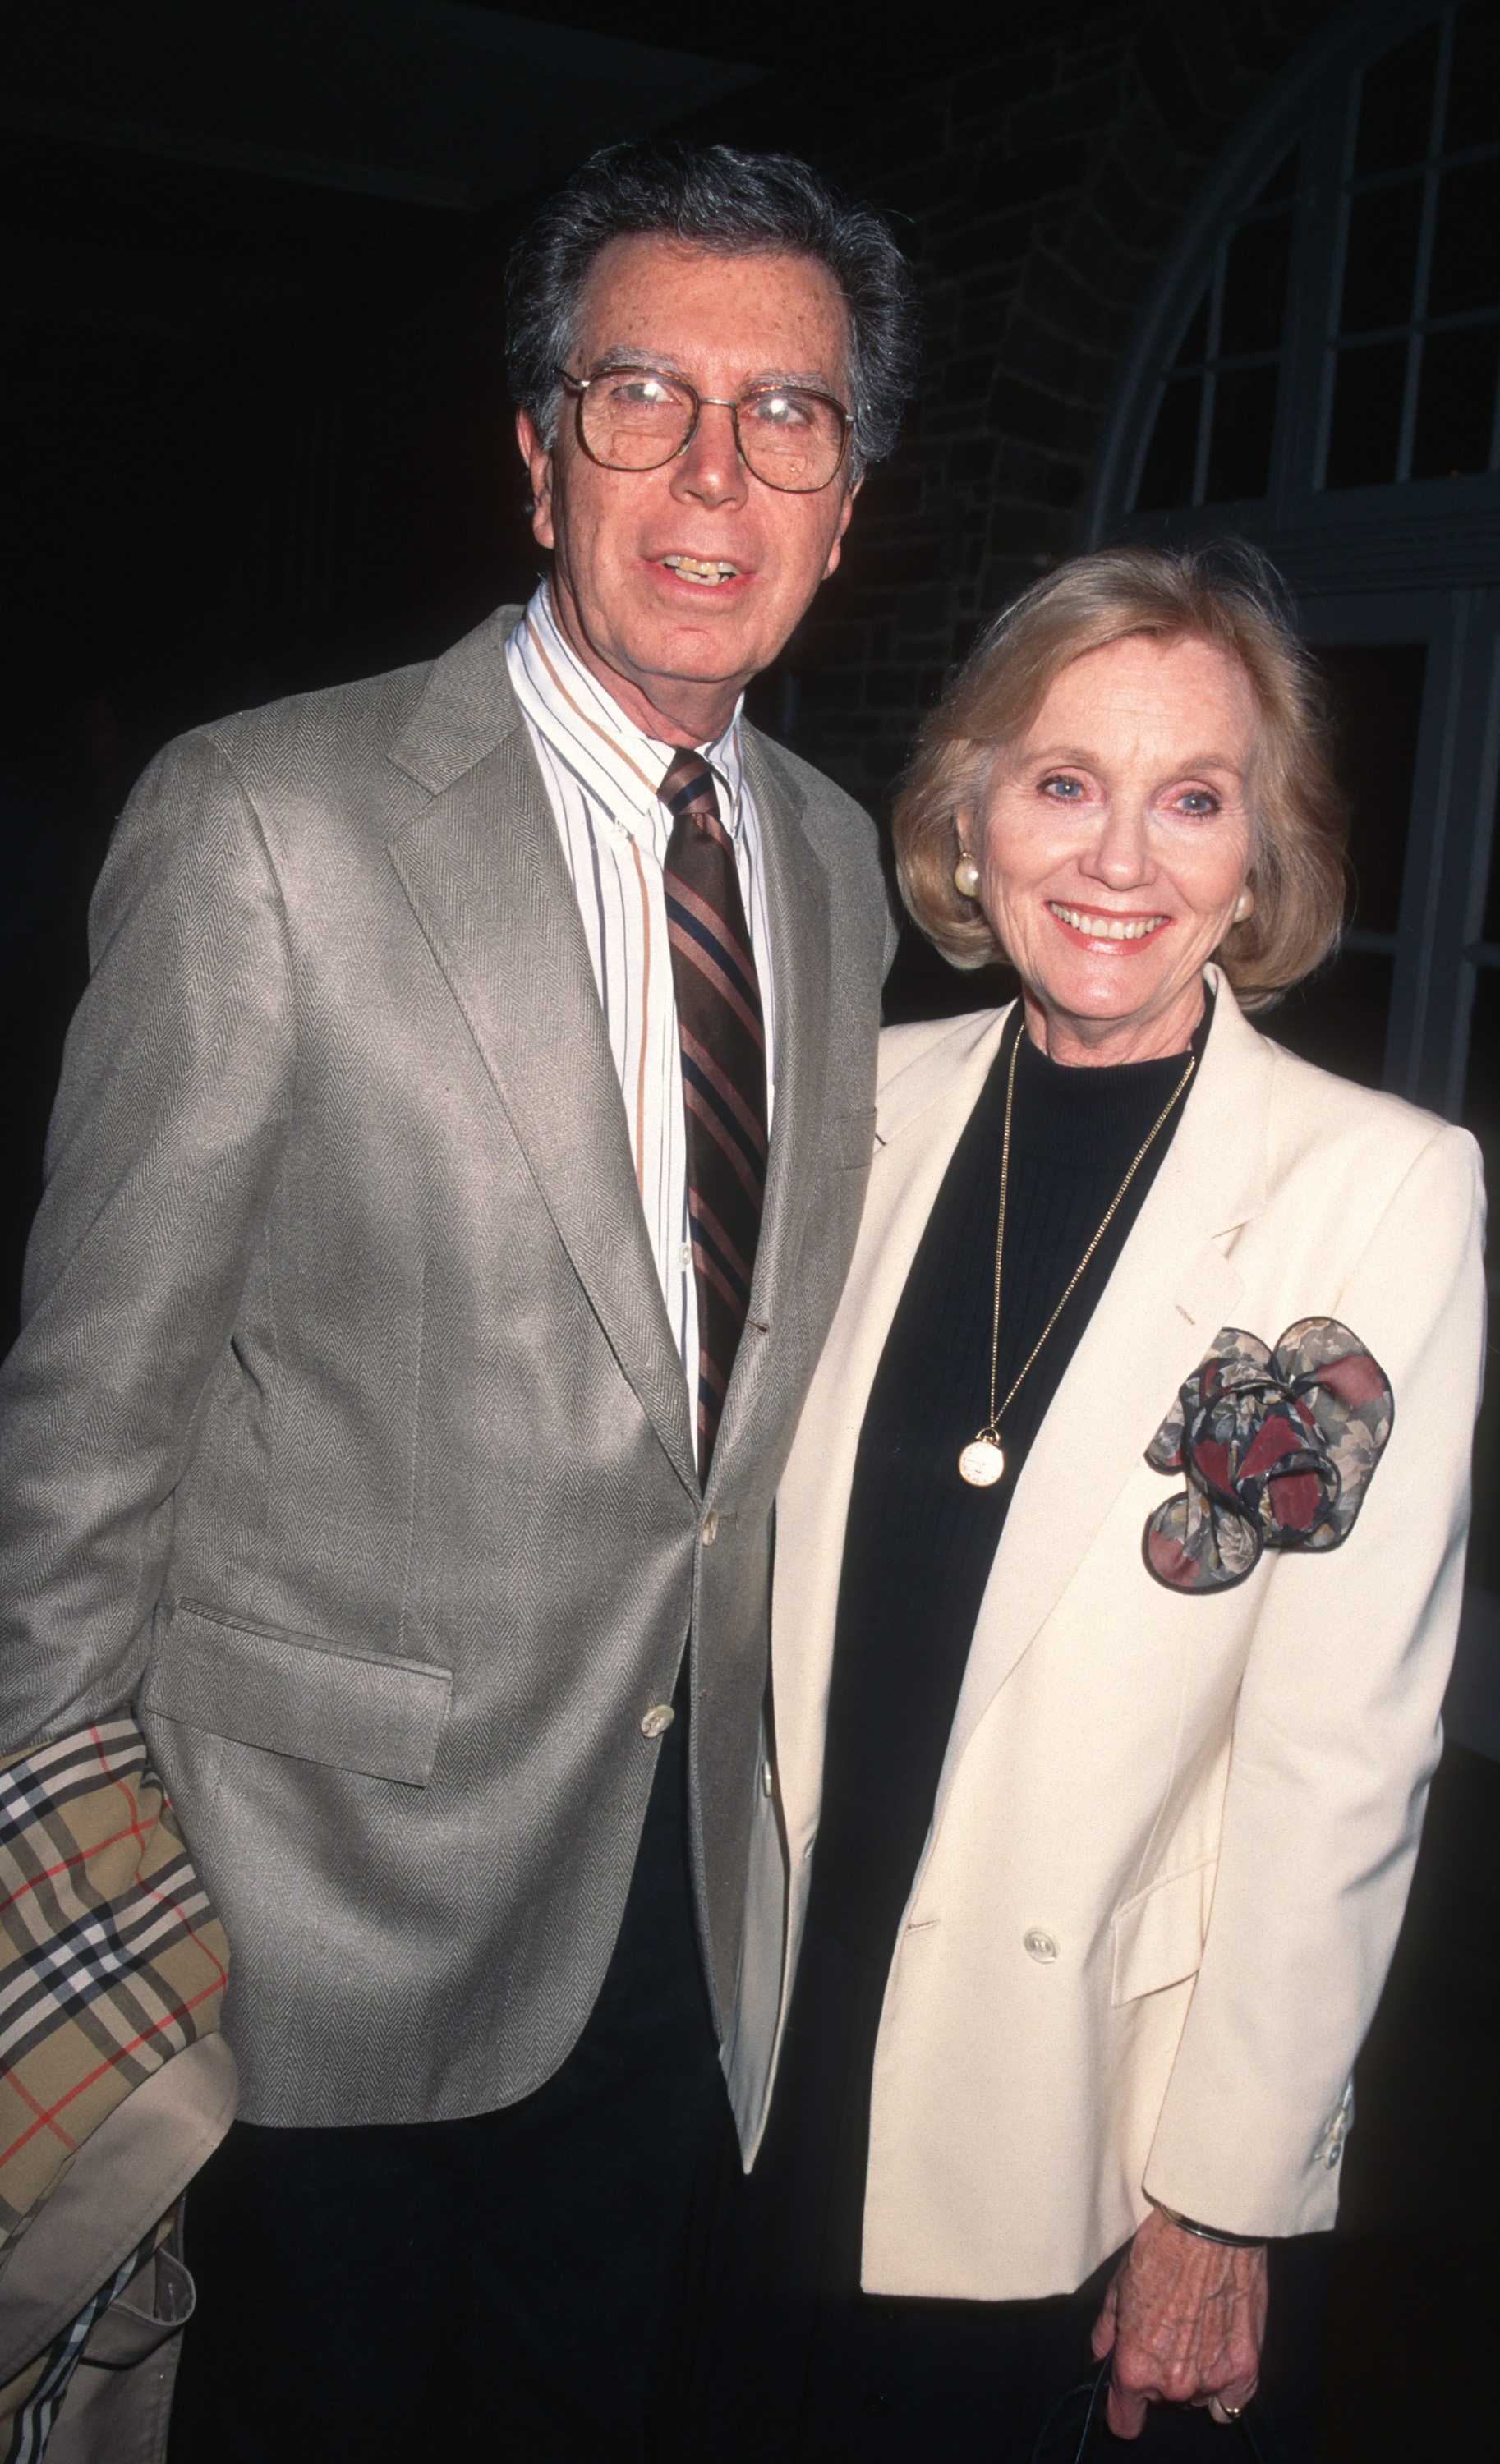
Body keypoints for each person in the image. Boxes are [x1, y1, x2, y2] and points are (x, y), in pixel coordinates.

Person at [0, 142, 916, 2463]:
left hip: (677, 1908)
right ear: (536, 456)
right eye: (641, 395)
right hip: (305, 1918)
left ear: (848, 500)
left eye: (787, 414)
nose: (712, 474)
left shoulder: (833, 862)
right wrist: (58, 1906)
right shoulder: (268, 823)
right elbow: (84, 1435)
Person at [682, 544, 1486, 2462]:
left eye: (1191, 799)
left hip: (1080, 2115)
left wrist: (1222, 2196)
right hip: (770, 2058)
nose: (1119, 858)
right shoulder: (849, 1108)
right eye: (1061, 782)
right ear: (967, 821)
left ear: (1259, 858)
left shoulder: (1373, 1187)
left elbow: (1340, 1759)